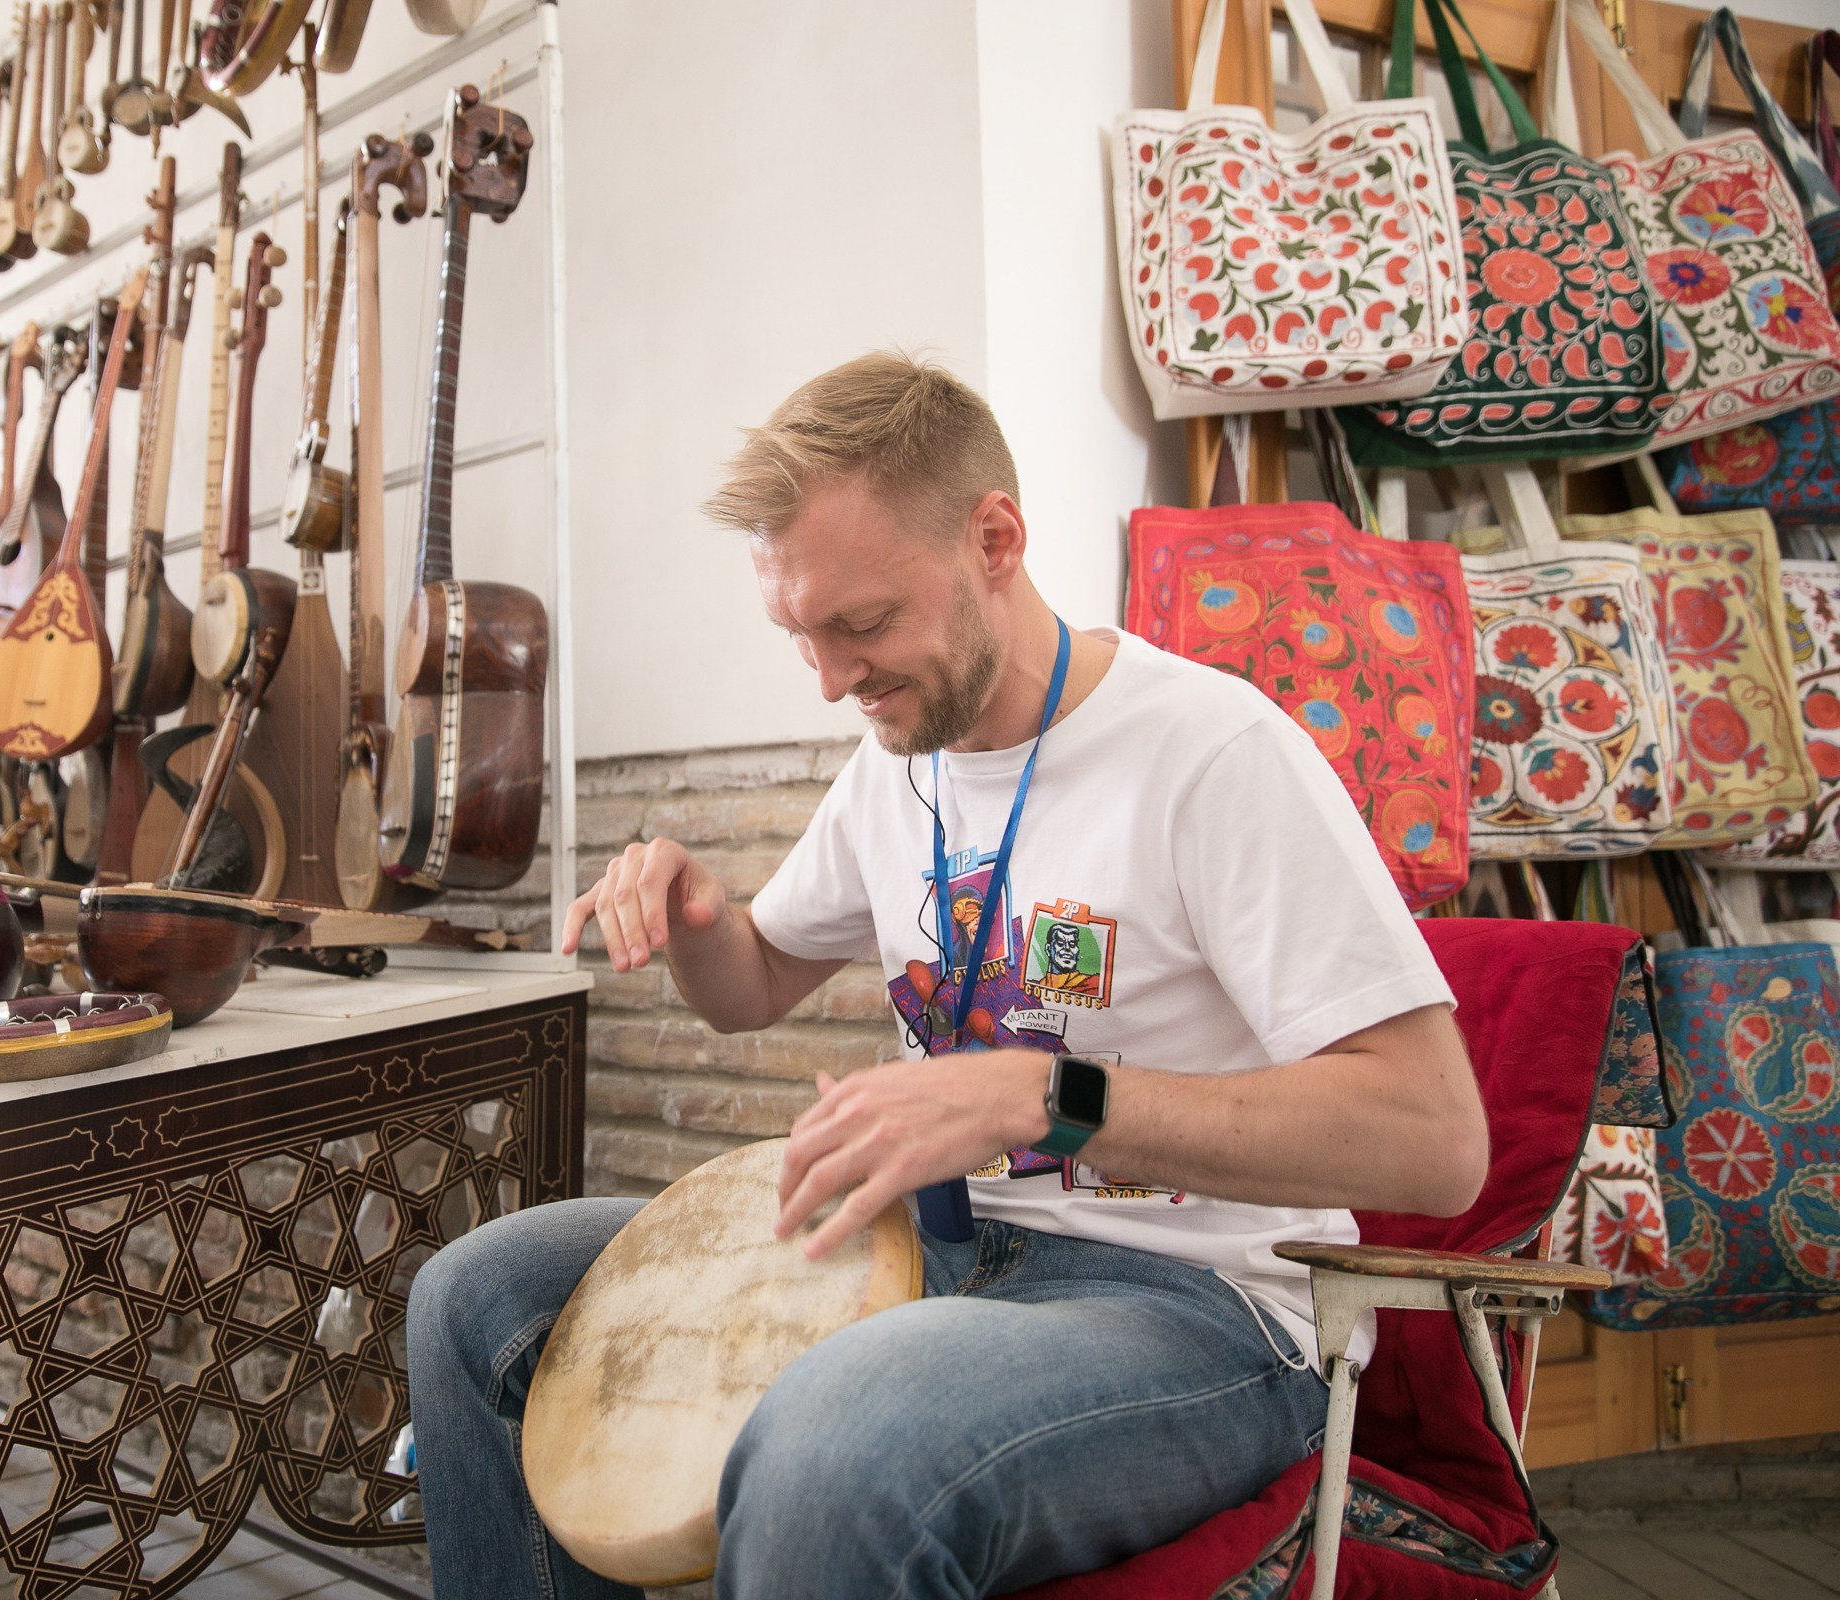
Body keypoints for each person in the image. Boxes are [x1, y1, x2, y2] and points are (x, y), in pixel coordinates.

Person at [406, 354, 1490, 1599]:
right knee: (473, 1299)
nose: (828, 679)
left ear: (995, 539)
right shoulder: (895, 760)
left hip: (1203, 1308)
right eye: (799, 634)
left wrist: (1047, 1094)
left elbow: (1435, 1139)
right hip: (937, 1253)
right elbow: (753, 980)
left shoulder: (1214, 753)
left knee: (835, 1448)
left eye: (859, 625)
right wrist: (705, 913)